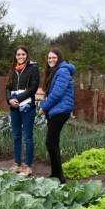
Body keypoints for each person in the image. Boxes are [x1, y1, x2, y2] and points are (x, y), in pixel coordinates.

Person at [39, 48, 76, 184]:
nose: (51, 60)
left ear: (59, 58)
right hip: (55, 110)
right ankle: (55, 174)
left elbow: (57, 94)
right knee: (53, 142)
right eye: (49, 58)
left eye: (54, 57)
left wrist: (44, 107)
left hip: (61, 111)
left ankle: (60, 177)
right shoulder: (55, 72)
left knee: (50, 142)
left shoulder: (63, 71)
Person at [6, 45, 40, 176]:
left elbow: (33, 88)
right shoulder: (12, 69)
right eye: (18, 55)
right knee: (16, 136)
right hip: (14, 107)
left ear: (27, 55)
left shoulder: (33, 69)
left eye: (23, 54)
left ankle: (28, 166)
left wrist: (17, 98)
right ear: (15, 56)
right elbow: (7, 87)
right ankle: (17, 164)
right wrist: (9, 99)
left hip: (27, 108)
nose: (20, 57)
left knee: (28, 137)